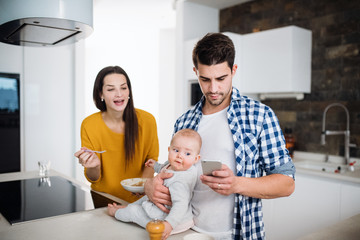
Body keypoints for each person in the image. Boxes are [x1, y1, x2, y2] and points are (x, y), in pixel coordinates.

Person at [144, 33, 296, 240]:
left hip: (237, 233)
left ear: (233, 70)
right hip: (185, 231)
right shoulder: (184, 121)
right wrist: (151, 185)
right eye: (204, 79)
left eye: (221, 79)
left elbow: (286, 183)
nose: (213, 89)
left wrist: (236, 184)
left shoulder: (259, 116)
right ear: (195, 72)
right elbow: (176, 172)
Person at [74, 66, 159, 203]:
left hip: (139, 200)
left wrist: (143, 186)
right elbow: (93, 177)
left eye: (123, 88)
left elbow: (151, 160)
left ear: (129, 91)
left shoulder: (147, 120)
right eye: (110, 89)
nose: (119, 94)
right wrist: (94, 166)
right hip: (103, 200)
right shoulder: (89, 124)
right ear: (100, 94)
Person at [108, 128, 201, 239]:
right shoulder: (173, 165)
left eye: (187, 153)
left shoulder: (180, 182)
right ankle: (127, 207)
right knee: (145, 198)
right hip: (167, 212)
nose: (180, 156)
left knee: (134, 212)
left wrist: (169, 224)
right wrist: (155, 165)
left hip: (171, 220)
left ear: (196, 159)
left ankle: (116, 213)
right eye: (176, 150)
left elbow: (180, 205)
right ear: (169, 149)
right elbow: (164, 168)